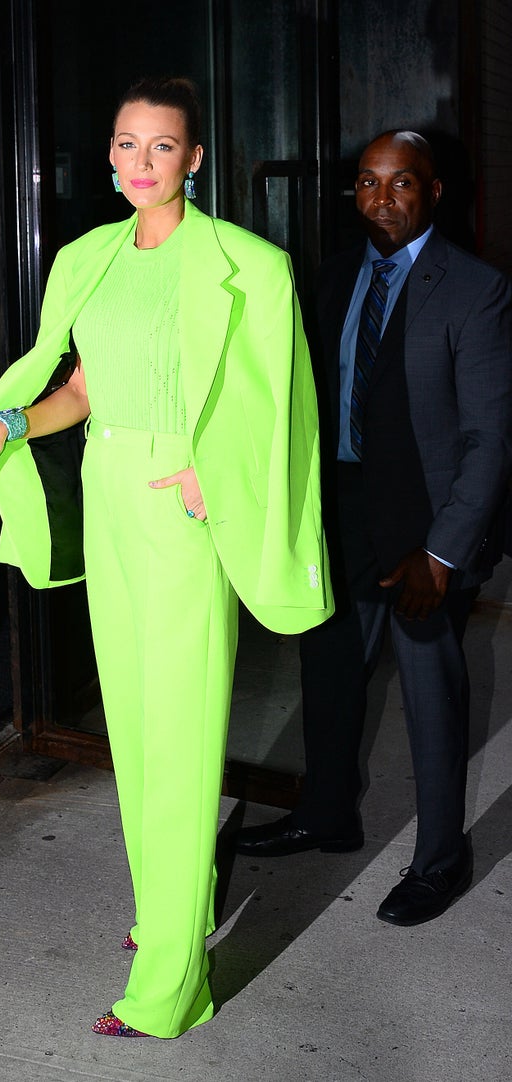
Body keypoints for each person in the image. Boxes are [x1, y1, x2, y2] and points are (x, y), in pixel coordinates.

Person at [0, 75, 333, 1038]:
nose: (140, 163)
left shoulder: (249, 264)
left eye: (161, 147)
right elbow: (84, 386)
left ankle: (171, 987)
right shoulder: (88, 259)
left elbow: (284, 401)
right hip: (110, 508)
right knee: (137, 737)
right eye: (125, 145)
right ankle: (161, 920)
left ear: (195, 159)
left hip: (183, 515)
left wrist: (212, 473)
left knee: (184, 744)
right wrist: (5, 430)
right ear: (109, 157)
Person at [235, 130, 512, 928]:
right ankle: (327, 814)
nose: (380, 200)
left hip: (425, 529)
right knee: (327, 669)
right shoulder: (332, 275)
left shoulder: (475, 290)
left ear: (433, 192)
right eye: (366, 183)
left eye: (400, 185)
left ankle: (440, 859)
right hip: (340, 510)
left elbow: (489, 439)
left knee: (430, 692)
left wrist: (442, 552)